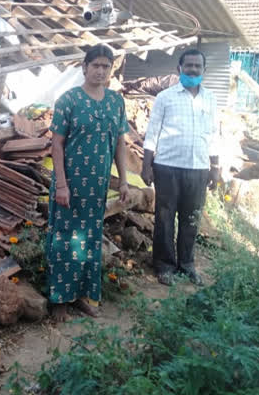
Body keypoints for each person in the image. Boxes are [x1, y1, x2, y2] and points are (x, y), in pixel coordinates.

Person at [46, 44, 130, 321]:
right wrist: (61, 184)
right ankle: (59, 299)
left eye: (106, 66)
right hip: (69, 187)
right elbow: (56, 144)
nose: (100, 70)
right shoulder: (68, 101)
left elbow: (120, 144)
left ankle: (81, 297)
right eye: (96, 65)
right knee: (64, 241)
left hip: (97, 188)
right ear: (84, 67)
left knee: (89, 242)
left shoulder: (116, 102)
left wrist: (125, 182)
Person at [141, 48, 219, 287]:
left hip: (198, 168)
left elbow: (214, 134)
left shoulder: (210, 98)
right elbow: (152, 132)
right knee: (165, 218)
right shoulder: (165, 97)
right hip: (167, 166)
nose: (193, 70)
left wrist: (215, 166)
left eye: (198, 66)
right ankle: (164, 266)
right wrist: (146, 165)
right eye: (189, 66)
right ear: (179, 69)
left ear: (204, 70)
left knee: (191, 219)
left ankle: (186, 265)